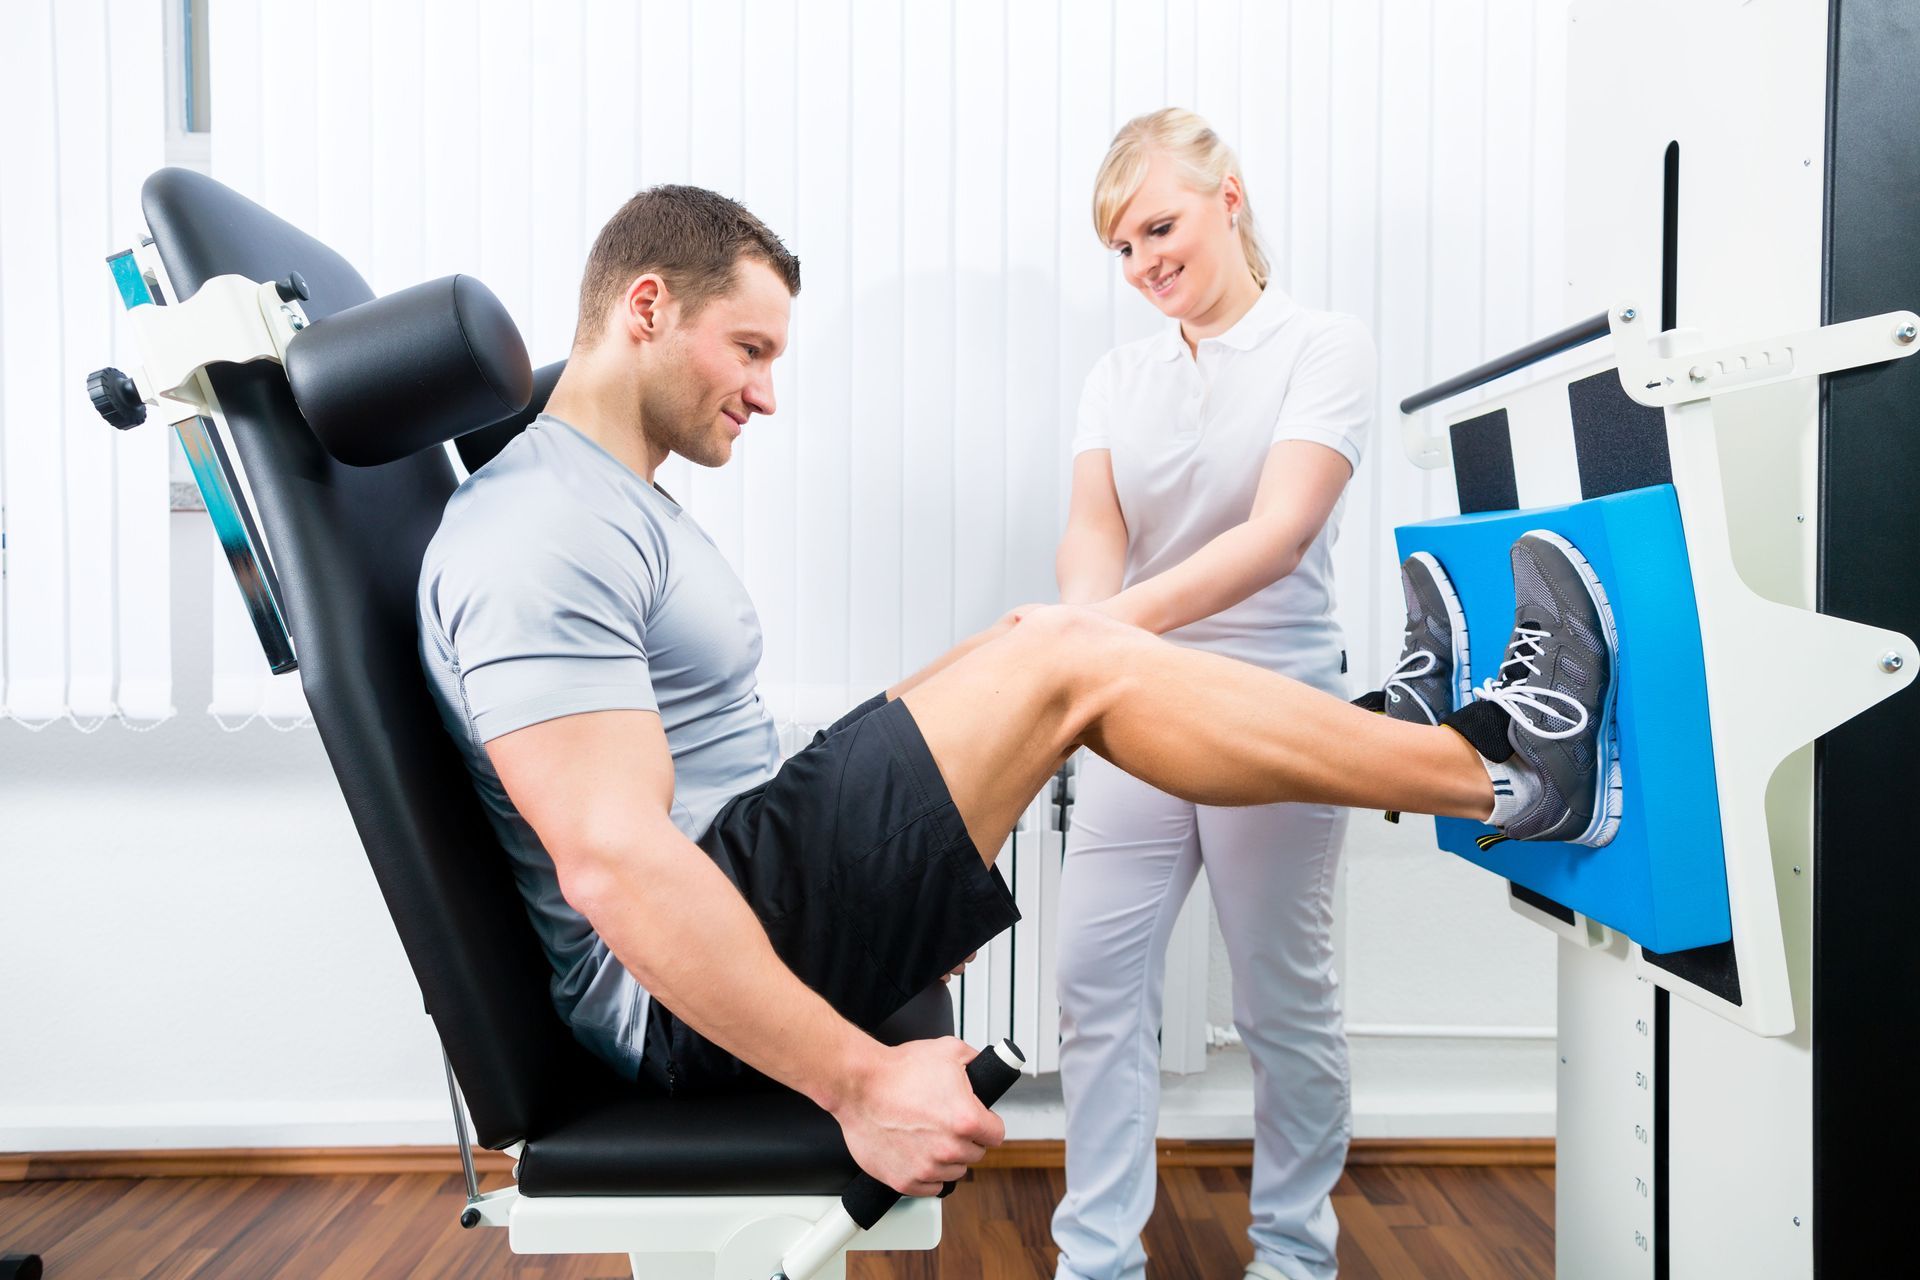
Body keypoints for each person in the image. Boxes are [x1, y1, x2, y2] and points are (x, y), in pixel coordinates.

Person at [414, 183, 1620, 1201]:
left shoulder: (603, 499)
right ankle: (1500, 771)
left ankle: (1426, 739)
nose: (767, 392)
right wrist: (859, 1080)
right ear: (647, 308)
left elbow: (713, 768)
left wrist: (997, 657)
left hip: (744, 872)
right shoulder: (536, 528)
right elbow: (614, 865)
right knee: (1069, 662)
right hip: (675, 998)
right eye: (751, 349)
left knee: (1043, 635)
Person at [1049, 107, 1371, 1280]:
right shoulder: (1118, 374)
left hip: (1273, 705)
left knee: (1281, 1002)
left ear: (1230, 198)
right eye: (1123, 248)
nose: (1143, 264)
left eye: (1160, 227)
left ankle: (1293, 1253)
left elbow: (1281, 533)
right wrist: (1089, 643)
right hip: (1136, 712)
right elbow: (1095, 535)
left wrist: (1098, 633)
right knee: (1094, 987)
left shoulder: (1320, 346)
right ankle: (1098, 1259)